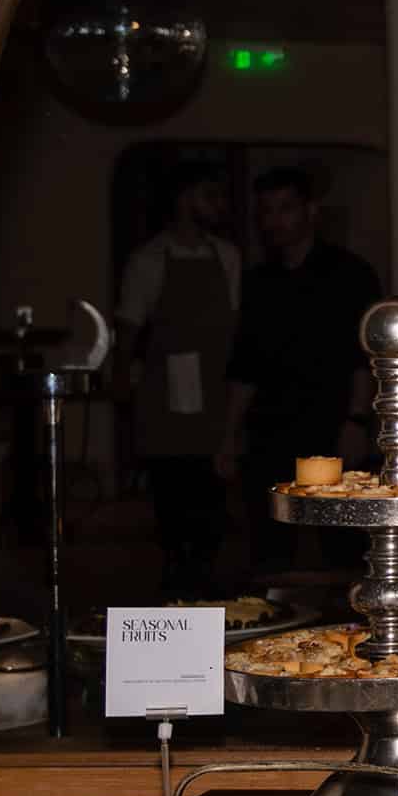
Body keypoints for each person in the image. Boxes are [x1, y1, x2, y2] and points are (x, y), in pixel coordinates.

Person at [220, 167, 381, 579]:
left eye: (285, 208)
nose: (274, 220)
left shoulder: (350, 274)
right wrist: (228, 436)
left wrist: (356, 421)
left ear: (310, 211)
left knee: (343, 546)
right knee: (269, 546)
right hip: (270, 430)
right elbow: (246, 364)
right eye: (266, 211)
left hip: (330, 424)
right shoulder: (259, 281)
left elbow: (364, 357)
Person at [116, 161, 238, 597]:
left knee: (212, 503)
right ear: (185, 199)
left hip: (217, 392)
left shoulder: (228, 256)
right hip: (165, 396)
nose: (219, 206)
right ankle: (175, 590)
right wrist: (124, 392)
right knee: (171, 501)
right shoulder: (148, 260)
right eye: (210, 196)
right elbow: (127, 332)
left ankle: (209, 589)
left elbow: (237, 325)